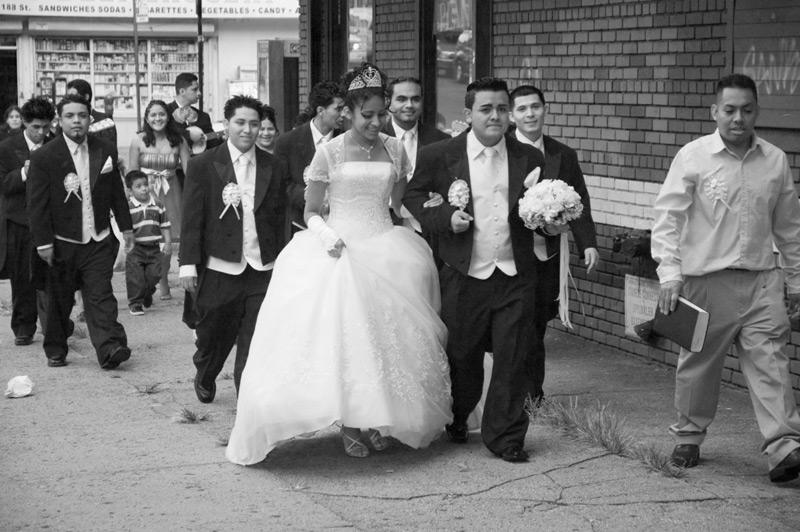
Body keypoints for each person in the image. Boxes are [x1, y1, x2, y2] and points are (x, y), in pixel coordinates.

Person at [226, 64, 452, 465]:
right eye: (368, 115)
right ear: (347, 111)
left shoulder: (395, 149)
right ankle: (349, 422)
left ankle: (379, 419)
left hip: (385, 248)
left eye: (382, 114)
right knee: (349, 339)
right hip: (339, 248)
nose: (377, 121)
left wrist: (426, 213)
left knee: (387, 340)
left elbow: (396, 204)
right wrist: (328, 236)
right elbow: (312, 211)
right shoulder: (328, 152)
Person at [651, 73, 800, 483]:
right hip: (705, 282)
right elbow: (667, 218)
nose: (738, 118)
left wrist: (796, 281)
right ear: (715, 111)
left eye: (746, 110)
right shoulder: (693, 156)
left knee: (771, 363)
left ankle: (784, 447)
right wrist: (669, 274)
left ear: (757, 112)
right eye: (729, 110)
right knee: (698, 365)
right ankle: (689, 436)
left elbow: (790, 228)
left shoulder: (775, 160)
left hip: (761, 282)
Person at [404, 77, 548, 463]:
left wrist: (551, 217)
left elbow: (539, 208)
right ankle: (459, 412)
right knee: (463, 357)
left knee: (513, 357)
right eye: (486, 109)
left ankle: (506, 437)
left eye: (502, 108)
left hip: (516, 274)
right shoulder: (440, 155)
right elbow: (413, 196)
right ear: (468, 114)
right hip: (464, 273)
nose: (496, 116)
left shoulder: (529, 159)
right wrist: (446, 217)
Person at [179, 95, 286, 403]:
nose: (248, 130)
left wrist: (283, 258)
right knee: (214, 330)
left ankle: (248, 402)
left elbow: (279, 215)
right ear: (226, 125)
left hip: (262, 267)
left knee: (254, 336)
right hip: (220, 265)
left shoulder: (273, 164)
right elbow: (192, 217)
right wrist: (188, 263)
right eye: (240, 122)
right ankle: (206, 371)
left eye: (254, 123)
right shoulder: (203, 165)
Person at [27, 93, 134, 369]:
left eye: (82, 116)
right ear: (59, 121)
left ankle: (111, 348)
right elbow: (37, 205)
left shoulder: (105, 149)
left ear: (90, 118)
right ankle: (56, 347)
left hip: (98, 238)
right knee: (60, 300)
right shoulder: (44, 157)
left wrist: (126, 228)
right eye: (70, 116)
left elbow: (116, 194)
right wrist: (43, 243)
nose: (77, 121)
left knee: (101, 295)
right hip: (63, 242)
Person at [508, 85, 599, 404]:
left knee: (537, 323)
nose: (530, 114)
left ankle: (532, 391)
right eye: (522, 109)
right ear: (511, 115)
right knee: (518, 324)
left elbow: (579, 200)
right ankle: (522, 390)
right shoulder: (503, 150)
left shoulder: (564, 154)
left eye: (535, 107)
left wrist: (587, 243)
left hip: (548, 254)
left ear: (545, 109)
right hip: (512, 254)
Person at [0, 97, 56, 345]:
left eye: (45, 126)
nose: (41, 132)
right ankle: (23, 326)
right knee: (21, 276)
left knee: (52, 277)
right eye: (35, 127)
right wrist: (24, 172)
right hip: (18, 220)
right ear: (23, 122)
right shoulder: (6, 147)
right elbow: (3, 185)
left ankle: (54, 324)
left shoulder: (56, 144)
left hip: (50, 220)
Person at [382, 76, 450, 267]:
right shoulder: (375, 139)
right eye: (401, 99)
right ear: (389, 102)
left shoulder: (441, 141)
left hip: (429, 232)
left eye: (415, 99)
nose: (409, 105)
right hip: (384, 228)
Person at [128, 99, 190, 301]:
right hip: (145, 193)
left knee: (167, 240)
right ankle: (147, 282)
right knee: (146, 239)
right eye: (153, 115)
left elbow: (190, 172)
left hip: (171, 192)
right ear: (147, 118)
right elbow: (132, 173)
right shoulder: (138, 141)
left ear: (168, 116)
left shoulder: (178, 140)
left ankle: (163, 280)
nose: (158, 118)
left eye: (162, 114)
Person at [272, 80, 345, 234]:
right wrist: (310, 196)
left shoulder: (346, 139)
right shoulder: (286, 142)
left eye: (345, 109)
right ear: (320, 110)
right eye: (338, 109)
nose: (343, 114)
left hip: (341, 224)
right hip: (300, 225)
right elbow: (280, 184)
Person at [124, 170, 171, 316]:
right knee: (135, 277)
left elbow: (165, 225)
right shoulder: (128, 207)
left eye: (145, 184)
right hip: (135, 248)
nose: (144, 188)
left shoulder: (157, 204)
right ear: (130, 190)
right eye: (139, 186)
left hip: (154, 248)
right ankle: (135, 303)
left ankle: (147, 293)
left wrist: (168, 242)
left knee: (155, 275)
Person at [166, 73, 222, 159]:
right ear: (182, 91)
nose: (199, 93)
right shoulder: (164, 113)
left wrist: (223, 137)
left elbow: (212, 143)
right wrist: (187, 135)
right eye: (194, 89)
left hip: (197, 167)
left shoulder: (203, 116)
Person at [65, 79, 117, 146]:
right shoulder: (65, 120)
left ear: (86, 97)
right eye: (68, 97)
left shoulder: (105, 120)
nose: (69, 100)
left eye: (73, 96)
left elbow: (109, 149)